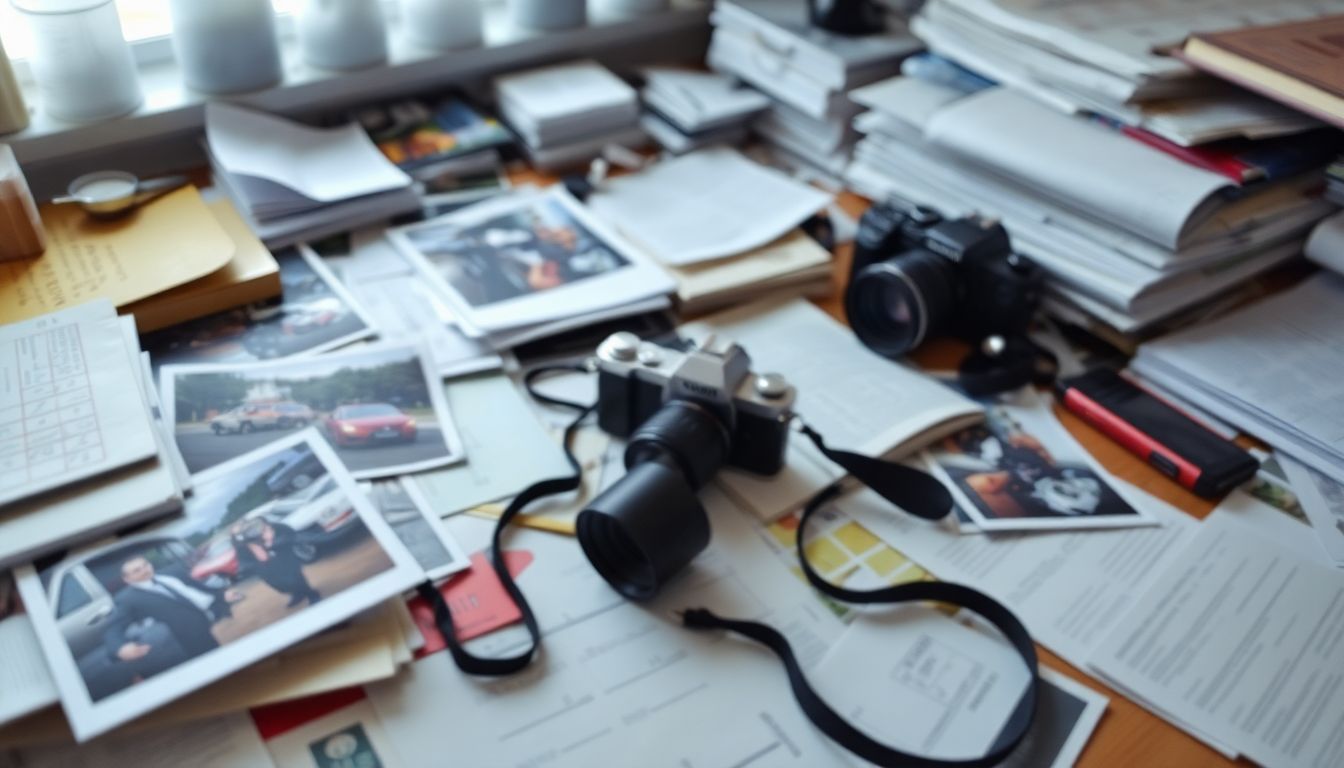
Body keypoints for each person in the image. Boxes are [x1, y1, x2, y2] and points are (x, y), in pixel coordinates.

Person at [102, 556, 241, 664]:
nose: (145, 570)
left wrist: (221, 595)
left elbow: (198, 588)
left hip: (204, 626)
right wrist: (119, 648)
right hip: (186, 642)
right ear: (127, 579)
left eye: (145, 565)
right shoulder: (127, 599)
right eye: (137, 570)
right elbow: (113, 628)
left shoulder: (171, 573)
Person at [233, 520, 321, 607]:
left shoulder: (274, 527)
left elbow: (290, 535)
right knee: (280, 585)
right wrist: (248, 567)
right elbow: (243, 559)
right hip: (266, 568)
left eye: (242, 525)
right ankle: (297, 594)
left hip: (285, 557)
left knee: (295, 578)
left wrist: (272, 544)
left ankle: (312, 594)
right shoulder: (242, 542)